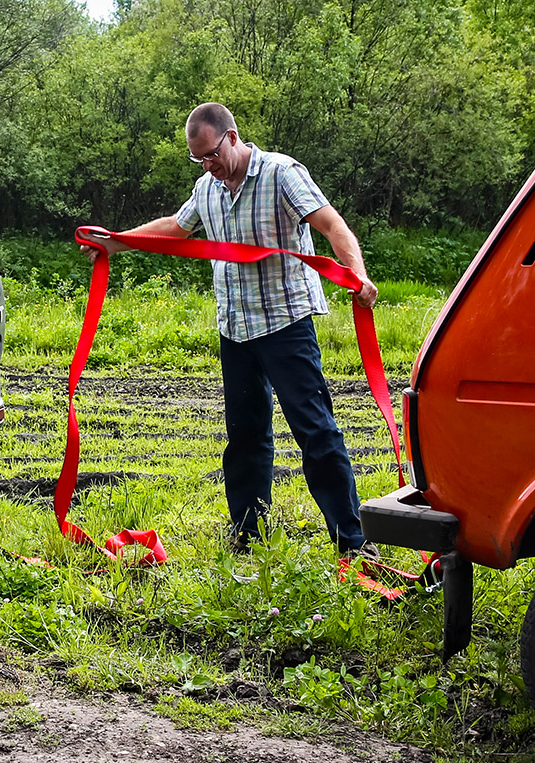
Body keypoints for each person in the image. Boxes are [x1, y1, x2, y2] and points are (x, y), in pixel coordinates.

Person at [81, 102, 379, 558]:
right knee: (245, 436)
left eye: (212, 155)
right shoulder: (207, 188)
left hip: (285, 323)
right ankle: (247, 534)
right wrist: (117, 241)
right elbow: (176, 228)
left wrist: (356, 273)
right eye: (198, 159)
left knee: (315, 432)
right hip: (236, 327)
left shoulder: (281, 174)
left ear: (233, 137)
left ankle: (353, 543)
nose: (208, 166)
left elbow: (331, 224)